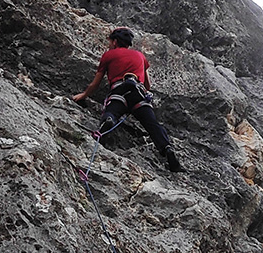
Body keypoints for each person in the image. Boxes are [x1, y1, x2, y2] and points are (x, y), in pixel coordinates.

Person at [73, 27, 182, 172]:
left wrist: (83, 95)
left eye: (110, 42)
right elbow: (148, 85)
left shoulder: (109, 55)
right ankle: (166, 148)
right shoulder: (140, 56)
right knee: (152, 124)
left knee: (113, 110)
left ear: (115, 42)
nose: (109, 45)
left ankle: (109, 121)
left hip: (120, 90)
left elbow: (95, 83)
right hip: (138, 92)